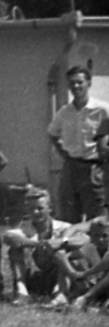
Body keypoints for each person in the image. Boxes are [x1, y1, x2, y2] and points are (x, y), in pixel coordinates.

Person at [47, 65, 107, 223]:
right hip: (71, 168)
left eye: (80, 82)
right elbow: (52, 133)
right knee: (68, 216)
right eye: (72, 83)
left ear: (89, 83)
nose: (76, 86)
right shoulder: (64, 112)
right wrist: (63, 153)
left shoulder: (102, 110)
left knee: (97, 217)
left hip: (93, 168)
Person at [1, 186, 71, 305]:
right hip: (34, 278)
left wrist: (60, 243)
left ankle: (59, 293)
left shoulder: (64, 227)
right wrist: (40, 244)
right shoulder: (24, 227)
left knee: (65, 251)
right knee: (15, 248)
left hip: (57, 276)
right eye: (31, 209)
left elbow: (82, 239)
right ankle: (22, 291)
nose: (35, 212)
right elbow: (8, 236)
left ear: (50, 208)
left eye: (40, 208)